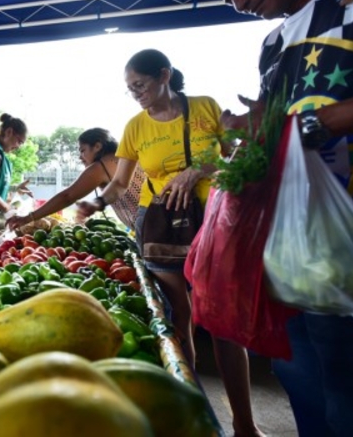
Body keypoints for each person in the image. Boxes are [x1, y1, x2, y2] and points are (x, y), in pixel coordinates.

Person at [213, 0, 353, 436]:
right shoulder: (274, 44)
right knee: (303, 380)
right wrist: (250, 129)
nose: (239, 2)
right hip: (299, 251)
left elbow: (305, 125)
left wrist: (319, 122)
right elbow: (281, 128)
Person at [77, 49, 265, 437]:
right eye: (129, 89)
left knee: (223, 323)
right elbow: (118, 183)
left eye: (140, 85)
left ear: (165, 75)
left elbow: (237, 159)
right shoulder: (135, 127)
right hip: (161, 229)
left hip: (213, 223)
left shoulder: (206, 108)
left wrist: (197, 170)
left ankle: (244, 424)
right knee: (180, 320)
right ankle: (191, 415)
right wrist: (95, 204)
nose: (136, 94)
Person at [6, 128, 123, 230]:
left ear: (97, 146)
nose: (80, 157)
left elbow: (67, 196)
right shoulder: (121, 160)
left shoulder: (100, 167)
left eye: (83, 151)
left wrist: (27, 218)